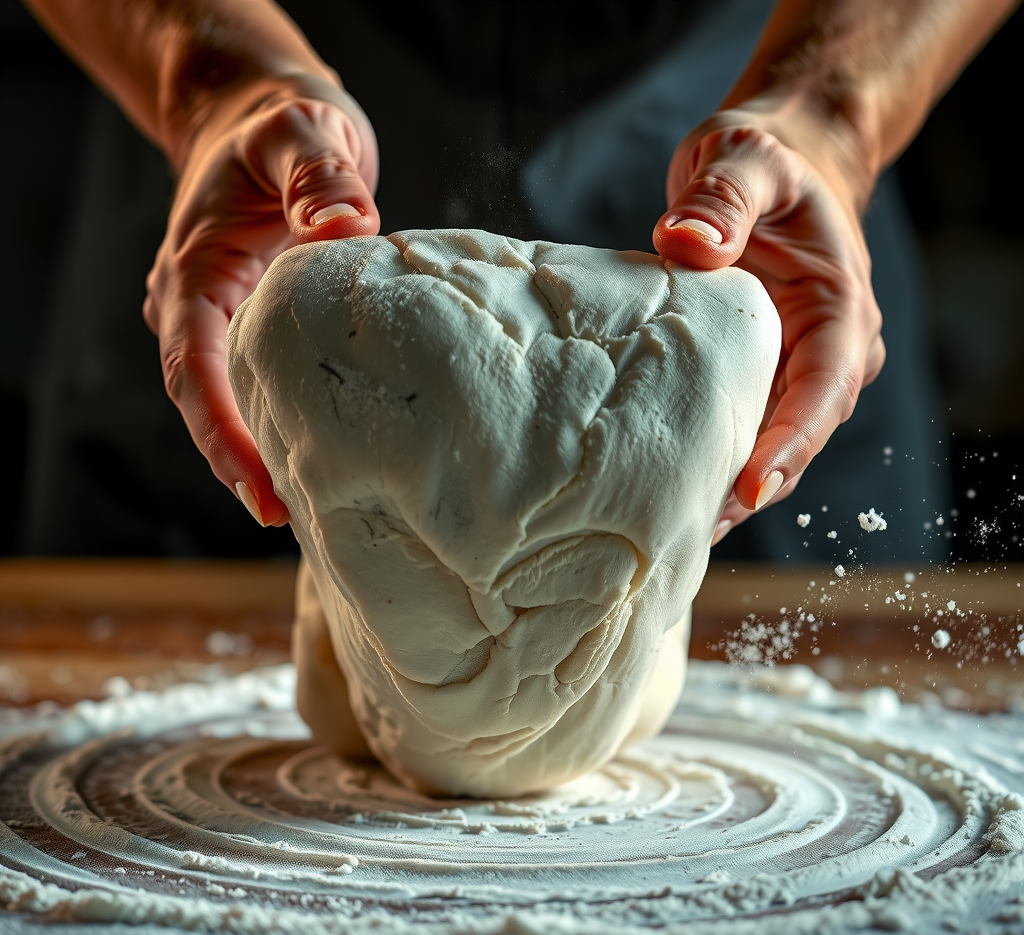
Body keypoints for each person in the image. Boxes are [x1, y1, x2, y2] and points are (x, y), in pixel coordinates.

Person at [21, 0, 1017, 560]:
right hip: (259, 137)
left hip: (766, 108)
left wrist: (833, 109)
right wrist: (208, 75)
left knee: (769, 516)